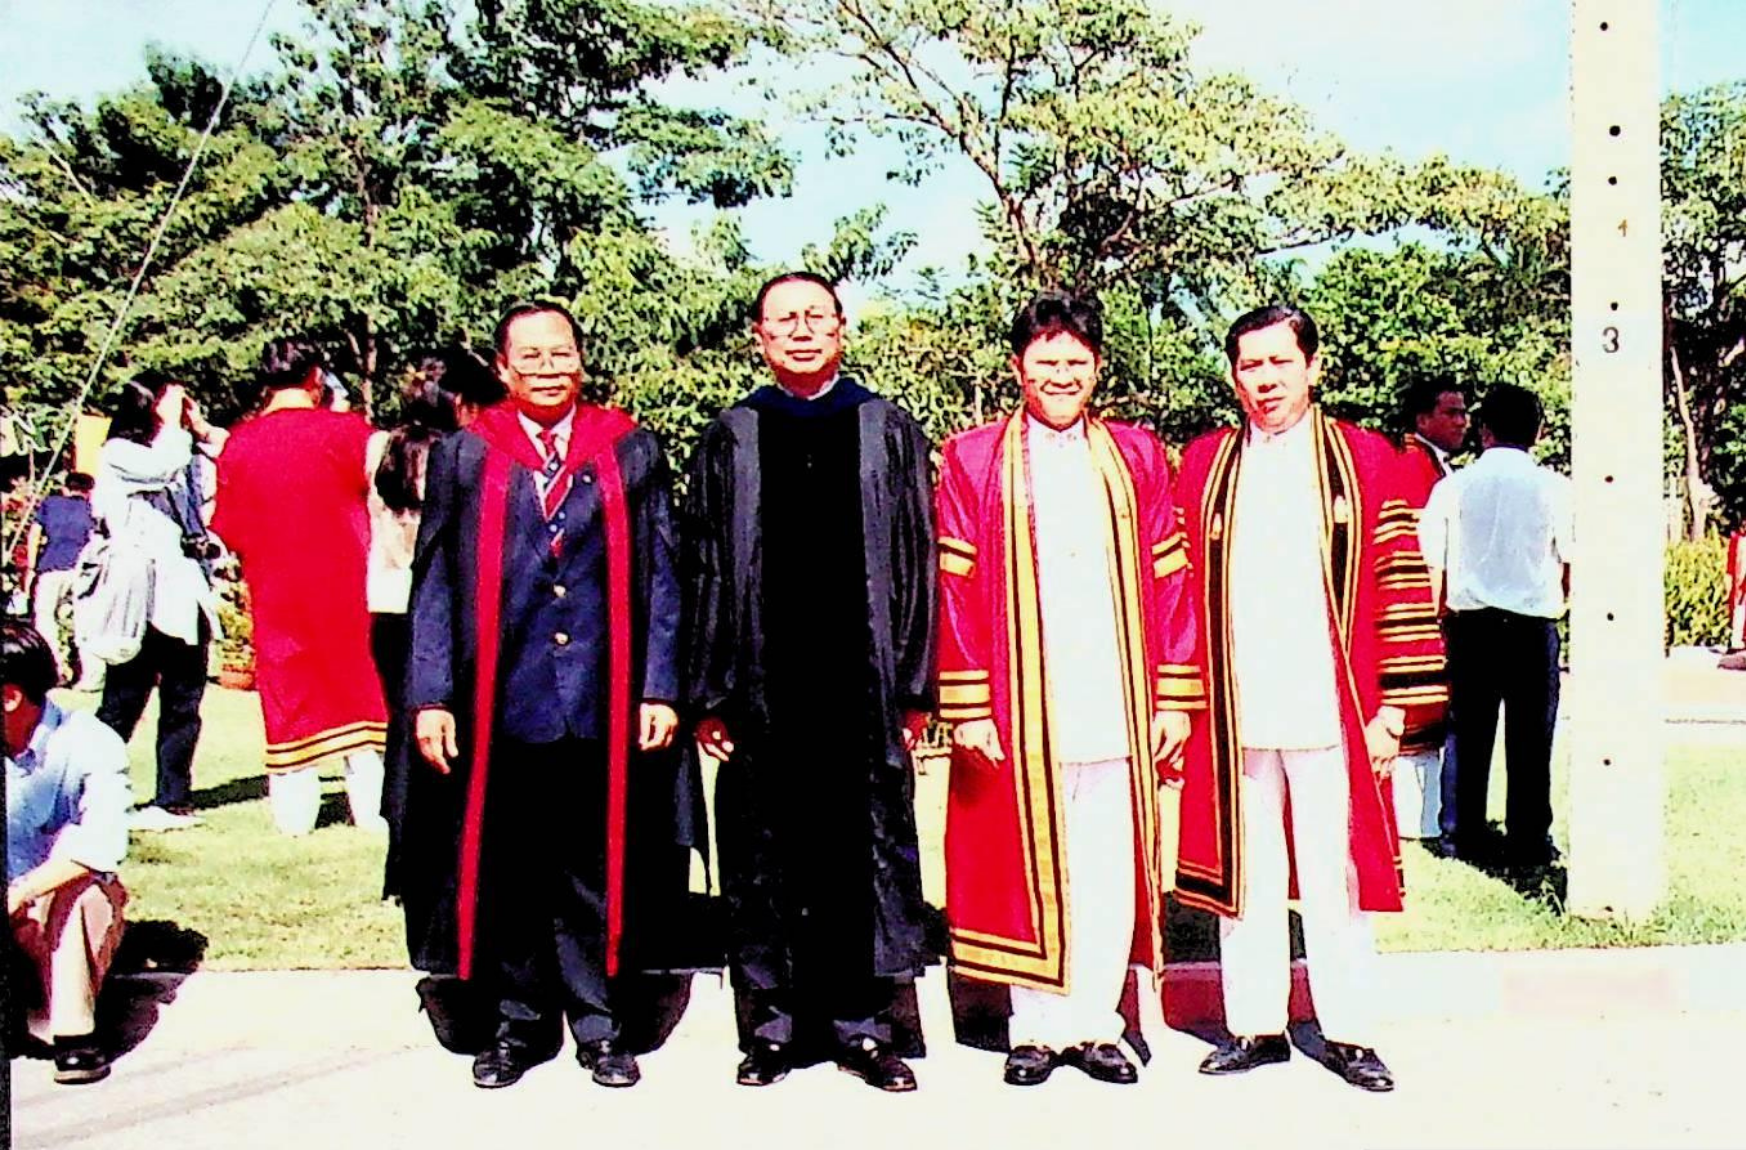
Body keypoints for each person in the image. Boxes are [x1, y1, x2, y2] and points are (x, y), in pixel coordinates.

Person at [408, 300, 700, 1091]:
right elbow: (434, 579)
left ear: (581, 359)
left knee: (596, 870)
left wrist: (660, 685)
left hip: (604, 697)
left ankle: (601, 1026)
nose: (547, 368)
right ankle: (519, 1023)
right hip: (500, 700)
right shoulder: (468, 454)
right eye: (529, 356)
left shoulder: (628, 446)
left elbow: (664, 572)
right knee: (509, 870)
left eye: (560, 353)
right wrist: (431, 694)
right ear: (503, 368)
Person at [1174, 305, 1446, 1093]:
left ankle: (1350, 1031)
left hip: (1333, 703)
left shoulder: (1362, 459)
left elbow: (1400, 581)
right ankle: (1255, 1024)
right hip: (1235, 707)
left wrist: (1393, 710)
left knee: (1337, 874)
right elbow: (1180, 592)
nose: (1265, 380)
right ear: (1234, 375)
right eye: (1250, 366)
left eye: (1279, 363)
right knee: (1247, 873)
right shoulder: (1207, 464)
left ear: (1312, 366)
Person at [934, 291, 1201, 1087]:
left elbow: (1172, 578)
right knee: (1026, 860)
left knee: (1107, 858)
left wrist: (1172, 695)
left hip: (1115, 687)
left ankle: (1095, 1025)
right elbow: (955, 586)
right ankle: (1036, 1029)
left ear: (1097, 366)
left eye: (1075, 361)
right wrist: (969, 703)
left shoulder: (1136, 455)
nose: (1061, 374)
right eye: (1046, 360)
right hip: (1020, 694)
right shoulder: (973, 458)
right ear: (1018, 366)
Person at [683, 271, 936, 1093]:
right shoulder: (732, 435)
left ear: (840, 328)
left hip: (864, 688)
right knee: (763, 857)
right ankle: (773, 1029)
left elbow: (917, 558)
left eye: (815, 316)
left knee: (865, 852)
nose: (800, 330)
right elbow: (704, 567)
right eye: (783, 319)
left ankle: (866, 1028)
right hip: (763, 691)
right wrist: (709, 692)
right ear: (759, 335)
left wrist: (914, 687)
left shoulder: (885, 428)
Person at [211, 339, 388, 837]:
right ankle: (372, 809)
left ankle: (294, 816)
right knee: (362, 688)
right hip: (349, 584)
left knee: (289, 694)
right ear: (315, 378)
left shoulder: (239, 444)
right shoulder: (349, 432)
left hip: (276, 590)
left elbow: (229, 527)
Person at [373, 349, 506, 943]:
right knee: (451, 767)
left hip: (388, 609)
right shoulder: (456, 456)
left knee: (414, 764)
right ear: (467, 404)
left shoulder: (388, 448)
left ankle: (426, 887)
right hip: (442, 618)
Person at [1418, 383, 1571, 868]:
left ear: (1484, 431)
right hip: (1532, 626)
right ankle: (1528, 838)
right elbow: (1571, 560)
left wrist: (1442, 619)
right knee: (1531, 741)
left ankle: (1460, 835)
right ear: (1538, 432)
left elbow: (1435, 566)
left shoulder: (1453, 487)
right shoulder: (1555, 488)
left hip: (1472, 626)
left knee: (1467, 735)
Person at [91, 375, 225, 832]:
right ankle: (90, 790)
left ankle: (174, 797)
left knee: (184, 702)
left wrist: (201, 429)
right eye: (172, 401)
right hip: (140, 596)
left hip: (185, 592)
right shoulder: (120, 453)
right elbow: (160, 468)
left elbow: (224, 464)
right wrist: (172, 428)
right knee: (122, 702)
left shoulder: (183, 452)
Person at [4, 620, 132, 1085]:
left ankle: (74, 1035)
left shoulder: (89, 742)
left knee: (78, 891)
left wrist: (21, 893)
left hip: (54, 905)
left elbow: (102, 845)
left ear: (9, 697)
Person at [1393, 378, 1469, 845]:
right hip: (1418, 614)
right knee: (1418, 711)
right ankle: (1416, 817)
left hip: (1435, 613)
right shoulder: (1412, 469)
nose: (1463, 422)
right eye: (1451, 412)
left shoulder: (1434, 467)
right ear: (1422, 420)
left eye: (1464, 412)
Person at [25, 472, 98, 689]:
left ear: (66, 488)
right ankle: (91, 676)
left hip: (51, 566)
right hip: (82, 569)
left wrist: (31, 567)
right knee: (86, 620)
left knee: (45, 618)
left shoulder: (50, 504)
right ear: (88, 491)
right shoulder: (92, 509)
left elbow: (34, 534)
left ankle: (56, 669)